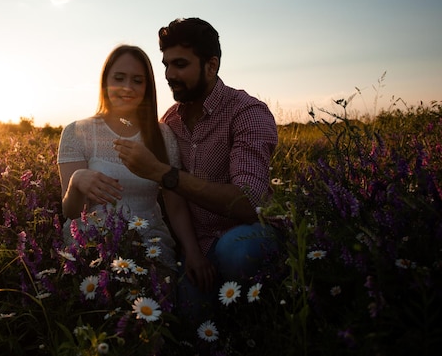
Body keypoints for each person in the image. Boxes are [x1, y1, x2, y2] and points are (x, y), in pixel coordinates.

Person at [114, 18, 279, 327]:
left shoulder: (247, 113)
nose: (169, 75)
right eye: (166, 65)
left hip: (245, 234)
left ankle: (265, 311)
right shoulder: (170, 122)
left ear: (211, 65)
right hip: (195, 245)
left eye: (180, 64)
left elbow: (248, 202)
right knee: (190, 321)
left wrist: (163, 173)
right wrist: (190, 251)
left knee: (235, 252)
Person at [57, 44, 204, 272]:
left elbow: (175, 208)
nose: (127, 87)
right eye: (119, 78)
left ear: (147, 87)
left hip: (150, 242)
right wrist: (77, 181)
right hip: (93, 243)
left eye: (137, 80)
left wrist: (193, 253)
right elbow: (70, 212)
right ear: (105, 82)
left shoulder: (163, 136)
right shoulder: (77, 132)